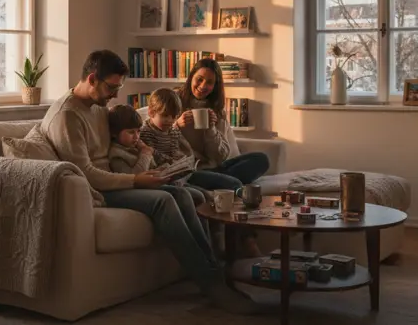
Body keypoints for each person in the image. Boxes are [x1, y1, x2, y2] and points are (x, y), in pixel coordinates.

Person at [41, 49, 257, 314]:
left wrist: (151, 161)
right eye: (112, 87)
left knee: (187, 194)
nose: (116, 95)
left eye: (119, 87)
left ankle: (215, 276)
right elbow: (85, 173)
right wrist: (136, 179)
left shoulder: (98, 104)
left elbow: (130, 133)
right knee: (165, 199)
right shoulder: (68, 115)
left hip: (118, 174)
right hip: (96, 189)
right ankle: (214, 287)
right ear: (92, 79)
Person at [176, 58, 270, 191]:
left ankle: (220, 181)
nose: (203, 86)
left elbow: (221, 157)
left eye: (209, 82)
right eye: (199, 79)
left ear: (215, 86)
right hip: (189, 170)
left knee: (261, 159)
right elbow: (157, 134)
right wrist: (177, 125)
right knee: (233, 183)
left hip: (215, 168)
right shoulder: (175, 102)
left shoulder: (217, 110)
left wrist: (211, 129)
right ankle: (224, 182)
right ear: (191, 77)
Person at [106, 103, 203, 205]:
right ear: (114, 133)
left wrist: (165, 169)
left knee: (200, 195)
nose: (136, 137)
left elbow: (153, 165)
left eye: (138, 131)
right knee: (183, 194)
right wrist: (145, 153)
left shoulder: (134, 146)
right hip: (142, 189)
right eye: (131, 132)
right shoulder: (116, 154)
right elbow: (135, 178)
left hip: (157, 182)